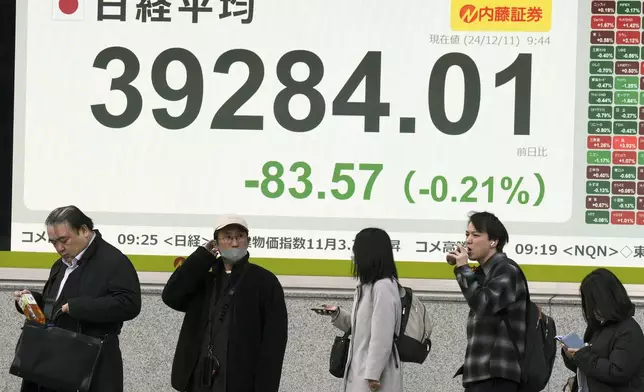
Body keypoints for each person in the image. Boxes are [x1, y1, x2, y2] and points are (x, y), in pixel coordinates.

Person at [12, 205, 142, 392]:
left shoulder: (114, 261)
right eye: (53, 242)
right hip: (51, 360)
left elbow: (129, 304)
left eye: (63, 240)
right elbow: (56, 304)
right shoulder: (61, 264)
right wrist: (32, 300)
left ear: (84, 230)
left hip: (90, 362)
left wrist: (78, 307)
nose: (59, 248)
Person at [162, 214, 288, 392]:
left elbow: (274, 341)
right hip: (199, 377)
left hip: (240, 380)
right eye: (228, 237)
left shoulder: (264, 281)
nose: (235, 243)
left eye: (240, 237)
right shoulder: (205, 277)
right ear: (216, 243)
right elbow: (171, 296)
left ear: (248, 241)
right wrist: (201, 257)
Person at [447, 211, 527, 392]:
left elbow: (483, 304)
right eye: (467, 234)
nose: (468, 240)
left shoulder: (507, 270)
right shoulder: (484, 273)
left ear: (493, 241)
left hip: (497, 373)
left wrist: (463, 269)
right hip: (480, 373)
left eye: (476, 235)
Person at [319, 227, 403, 392]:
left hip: (374, 378)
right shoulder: (366, 287)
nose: (354, 257)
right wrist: (337, 314)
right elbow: (363, 327)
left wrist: (373, 373)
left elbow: (382, 335)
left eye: (357, 252)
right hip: (362, 371)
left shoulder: (383, 287)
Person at [560, 268, 644, 392]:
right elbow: (591, 369)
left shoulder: (629, 331)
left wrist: (582, 355)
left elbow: (617, 372)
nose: (591, 309)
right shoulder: (597, 327)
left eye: (593, 303)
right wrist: (572, 356)